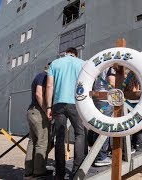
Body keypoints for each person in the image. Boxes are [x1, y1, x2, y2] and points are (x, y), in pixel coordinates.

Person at [45, 47, 86, 180]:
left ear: (65, 53)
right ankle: (77, 170)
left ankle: (60, 174)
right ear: (76, 54)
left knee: (59, 138)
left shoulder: (55, 64)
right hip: (76, 103)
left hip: (58, 104)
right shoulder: (82, 63)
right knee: (80, 133)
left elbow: (50, 86)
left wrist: (48, 107)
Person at [24, 62, 53, 179]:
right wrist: (47, 110)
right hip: (39, 113)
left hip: (31, 111)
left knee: (33, 141)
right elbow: (38, 93)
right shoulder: (44, 76)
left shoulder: (38, 76)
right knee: (42, 141)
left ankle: (29, 172)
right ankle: (39, 172)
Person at [89, 66, 116, 166]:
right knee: (105, 128)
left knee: (98, 126)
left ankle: (96, 154)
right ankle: (101, 157)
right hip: (105, 100)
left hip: (97, 99)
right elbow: (112, 82)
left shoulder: (100, 67)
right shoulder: (111, 67)